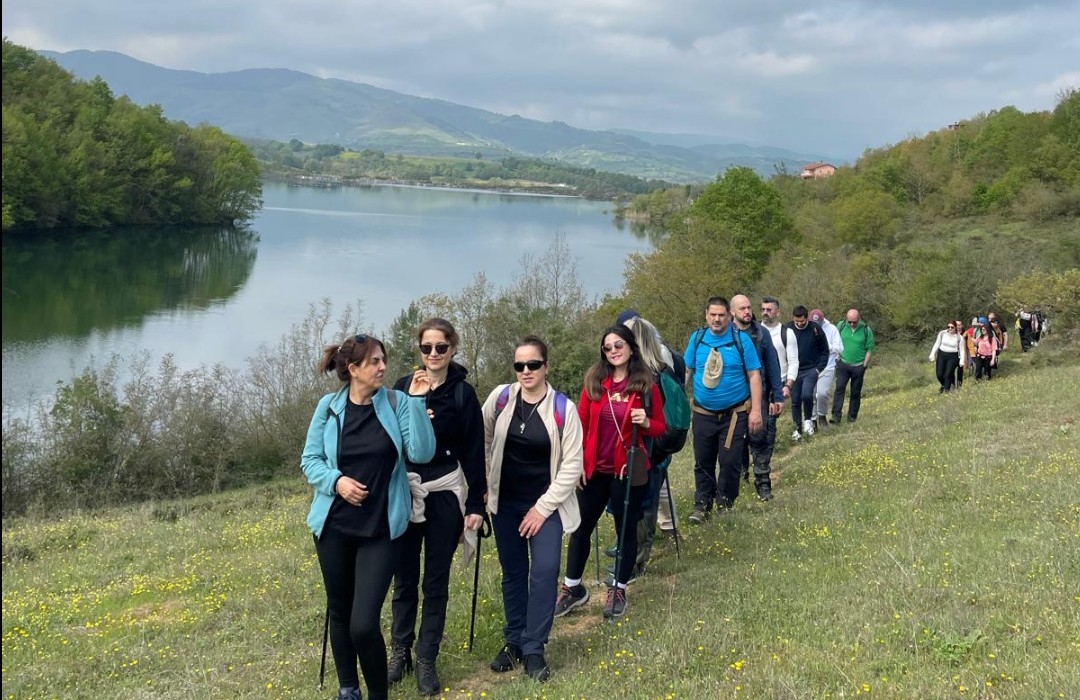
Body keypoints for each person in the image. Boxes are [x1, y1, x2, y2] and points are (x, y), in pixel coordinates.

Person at [302, 334, 437, 700]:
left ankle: (378, 695)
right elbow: (310, 461)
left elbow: (422, 453)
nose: (382, 367)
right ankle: (349, 689)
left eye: (383, 360)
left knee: (363, 624)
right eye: (375, 361)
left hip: (380, 530)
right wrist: (338, 481)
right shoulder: (328, 409)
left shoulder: (398, 403)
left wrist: (420, 402)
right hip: (334, 528)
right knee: (340, 613)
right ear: (353, 369)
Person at [387, 319, 486, 696]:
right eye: (426, 348)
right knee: (404, 578)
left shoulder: (463, 394)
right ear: (419, 351)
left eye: (440, 347)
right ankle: (400, 652)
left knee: (435, 581)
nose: (433, 354)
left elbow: (475, 451)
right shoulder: (400, 390)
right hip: (407, 492)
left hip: (445, 492)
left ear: (453, 349)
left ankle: (427, 657)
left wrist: (476, 503)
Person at [482, 336, 583, 683]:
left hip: (547, 506)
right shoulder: (501, 399)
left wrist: (541, 509)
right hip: (505, 504)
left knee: (543, 572)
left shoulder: (562, 409)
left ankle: (534, 648)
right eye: (519, 365)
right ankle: (514, 641)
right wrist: (484, 479)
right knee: (513, 573)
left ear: (546, 367)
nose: (526, 371)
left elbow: (572, 465)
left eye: (533, 365)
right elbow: (481, 437)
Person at [555, 325, 665, 620]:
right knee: (580, 528)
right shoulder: (595, 381)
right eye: (608, 347)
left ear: (630, 347)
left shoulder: (646, 385)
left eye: (619, 345)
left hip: (627, 469)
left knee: (625, 530)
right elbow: (580, 423)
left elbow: (660, 427)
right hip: (594, 469)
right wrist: (576, 462)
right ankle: (572, 588)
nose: (614, 351)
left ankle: (618, 589)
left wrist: (644, 422)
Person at [683, 296, 763, 523]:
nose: (717, 319)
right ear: (706, 315)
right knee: (703, 460)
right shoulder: (697, 339)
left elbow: (754, 375)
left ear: (729, 316)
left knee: (729, 461)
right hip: (703, 413)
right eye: (713, 315)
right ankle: (702, 505)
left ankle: (725, 503)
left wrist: (756, 411)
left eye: (721, 315)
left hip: (734, 415)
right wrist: (675, 402)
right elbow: (687, 372)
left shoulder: (741, 341)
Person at [731, 294, 784, 501]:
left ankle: (763, 484)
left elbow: (772, 366)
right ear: (732, 312)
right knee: (734, 441)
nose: (747, 312)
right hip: (733, 397)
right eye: (742, 308)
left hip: (759, 395)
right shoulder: (726, 334)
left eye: (749, 308)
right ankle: (735, 481)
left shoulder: (761, 334)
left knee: (760, 439)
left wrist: (777, 396)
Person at [784, 305, 829, 440]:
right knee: (795, 400)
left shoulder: (815, 329)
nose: (799, 324)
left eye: (802, 321)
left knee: (807, 394)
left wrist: (818, 369)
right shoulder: (788, 329)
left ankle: (808, 420)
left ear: (807, 317)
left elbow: (825, 351)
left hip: (811, 369)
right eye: (796, 321)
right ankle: (797, 428)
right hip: (794, 370)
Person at [831, 309, 875, 425]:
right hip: (843, 364)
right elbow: (834, 341)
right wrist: (837, 357)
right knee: (839, 389)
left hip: (858, 366)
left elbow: (870, 349)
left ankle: (852, 417)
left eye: (854, 322)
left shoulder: (866, 330)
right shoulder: (840, 326)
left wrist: (864, 365)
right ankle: (836, 416)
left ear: (859, 319)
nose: (851, 324)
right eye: (849, 321)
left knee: (855, 392)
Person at [809, 309, 843, 431]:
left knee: (821, 393)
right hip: (811, 367)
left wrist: (827, 347)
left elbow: (840, 347)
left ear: (823, 320)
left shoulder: (832, 329)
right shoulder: (807, 328)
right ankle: (812, 421)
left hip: (828, 366)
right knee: (810, 395)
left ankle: (822, 416)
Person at [929, 320, 967, 393]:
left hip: (953, 356)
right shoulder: (942, 333)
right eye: (948, 327)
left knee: (948, 373)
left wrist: (962, 360)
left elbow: (962, 350)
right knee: (939, 374)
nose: (950, 329)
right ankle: (944, 385)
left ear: (955, 328)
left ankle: (946, 390)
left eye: (952, 327)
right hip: (942, 354)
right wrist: (932, 353)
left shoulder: (959, 337)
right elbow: (937, 344)